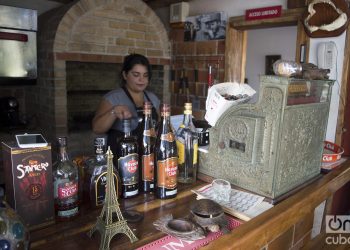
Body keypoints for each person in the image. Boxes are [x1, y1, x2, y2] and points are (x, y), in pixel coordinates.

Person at [92, 53, 160, 156]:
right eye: (136, 75)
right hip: (120, 156)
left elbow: (159, 127)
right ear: (125, 75)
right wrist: (113, 112)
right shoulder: (113, 98)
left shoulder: (153, 98)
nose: (141, 80)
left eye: (145, 75)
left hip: (147, 156)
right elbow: (97, 129)